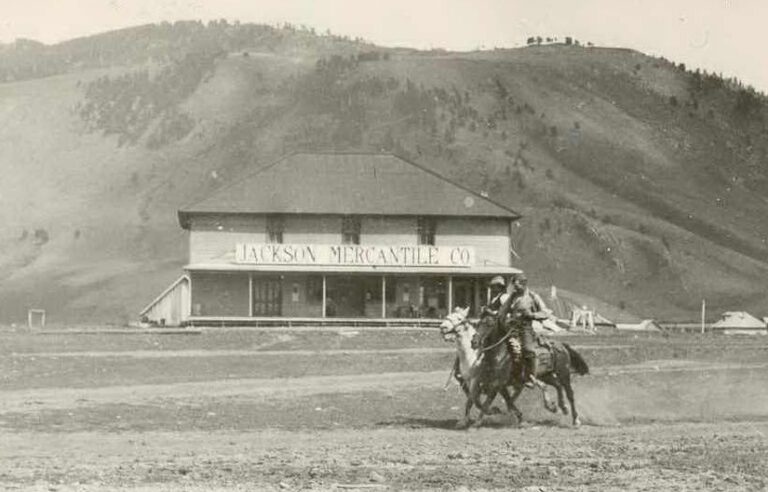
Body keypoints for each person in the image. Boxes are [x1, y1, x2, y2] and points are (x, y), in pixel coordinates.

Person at [496, 272, 549, 388]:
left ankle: (531, 377)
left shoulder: (533, 296)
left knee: (528, 350)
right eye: (514, 285)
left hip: (525, 329)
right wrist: (501, 317)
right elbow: (503, 311)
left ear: (524, 284)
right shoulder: (513, 296)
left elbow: (546, 313)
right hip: (511, 328)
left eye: (516, 285)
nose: (514, 287)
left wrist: (532, 315)